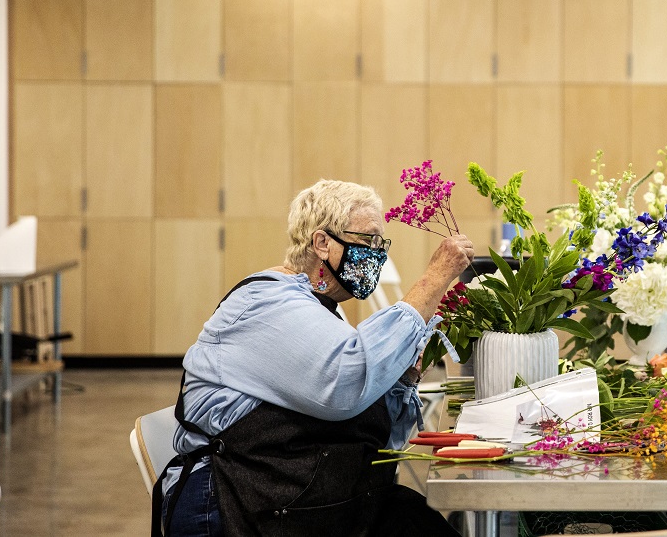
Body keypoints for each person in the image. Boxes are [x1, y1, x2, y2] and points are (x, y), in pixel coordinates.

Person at [154, 179, 474, 537]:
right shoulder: (266, 303)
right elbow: (346, 387)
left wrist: (403, 379)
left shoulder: (325, 310)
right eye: (367, 241)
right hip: (227, 503)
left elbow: (381, 440)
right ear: (322, 243)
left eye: (380, 243)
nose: (377, 255)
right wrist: (434, 279)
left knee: (413, 516)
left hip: (289, 493)